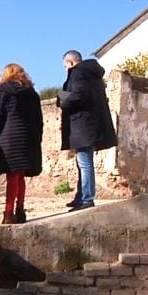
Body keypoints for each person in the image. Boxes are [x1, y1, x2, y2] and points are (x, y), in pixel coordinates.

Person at [58, 50, 117, 211]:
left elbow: (78, 95)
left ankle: (86, 199)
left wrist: (62, 100)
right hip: (89, 125)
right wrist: (62, 96)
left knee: (85, 163)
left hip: (83, 126)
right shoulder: (92, 74)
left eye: (65, 65)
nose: (65, 69)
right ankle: (81, 196)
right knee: (83, 163)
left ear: (71, 62)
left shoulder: (78, 73)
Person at [0, 63, 43, 224]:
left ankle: (9, 213)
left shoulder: (3, 91)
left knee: (12, 175)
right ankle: (20, 210)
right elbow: (39, 120)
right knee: (20, 176)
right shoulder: (33, 94)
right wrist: (37, 138)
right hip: (28, 139)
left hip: (10, 138)